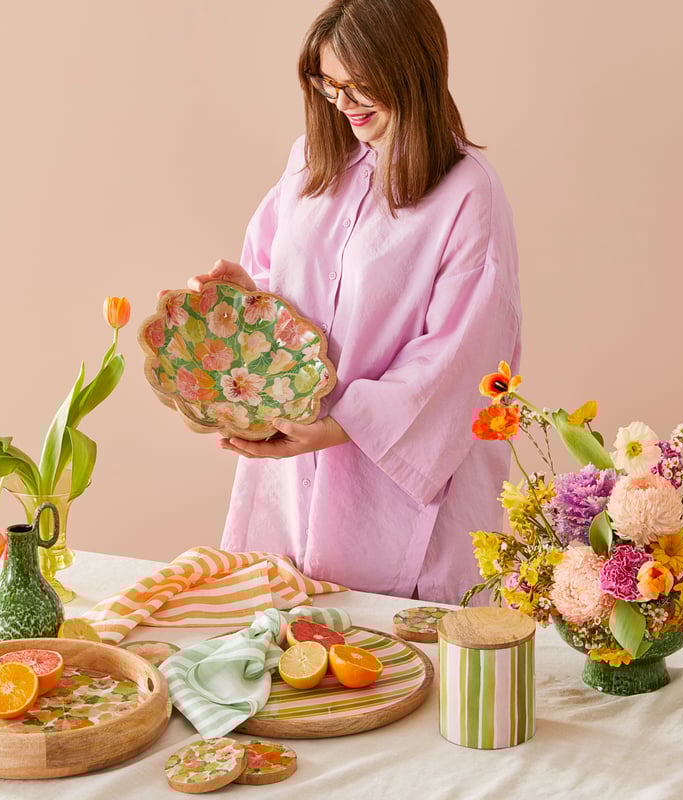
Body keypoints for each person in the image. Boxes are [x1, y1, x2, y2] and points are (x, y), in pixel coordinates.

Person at [188, 0, 521, 605]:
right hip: (294, 462)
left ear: (413, 70)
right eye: (329, 84)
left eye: (360, 84)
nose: (343, 103)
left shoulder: (468, 191)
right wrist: (244, 295)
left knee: (391, 648)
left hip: (399, 484)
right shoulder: (310, 160)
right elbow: (278, 279)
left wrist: (340, 423)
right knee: (286, 639)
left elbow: (462, 353)